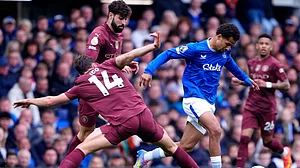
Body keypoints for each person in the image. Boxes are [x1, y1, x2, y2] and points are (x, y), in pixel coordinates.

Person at [13, 32, 199, 168]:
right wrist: (152, 46)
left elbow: (50, 101)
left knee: (82, 148)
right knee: (173, 149)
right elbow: (128, 56)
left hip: (124, 123)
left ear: (78, 72)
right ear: (94, 64)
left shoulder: (80, 85)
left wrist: (30, 101)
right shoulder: (109, 65)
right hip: (143, 115)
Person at [136, 23, 259, 168]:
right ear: (218, 37)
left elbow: (232, 66)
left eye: (231, 45)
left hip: (208, 103)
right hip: (194, 98)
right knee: (216, 130)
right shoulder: (195, 49)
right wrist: (149, 70)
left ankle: (146, 155)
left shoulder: (225, 52)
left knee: (185, 146)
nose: (228, 47)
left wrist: (246, 79)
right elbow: (168, 53)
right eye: (227, 43)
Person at [67, 0, 138, 155]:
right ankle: (67, 163)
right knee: (85, 133)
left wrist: (125, 64)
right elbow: (89, 67)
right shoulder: (98, 35)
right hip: (93, 88)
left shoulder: (119, 34)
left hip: (108, 87)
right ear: (110, 15)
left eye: (126, 19)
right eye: (121, 18)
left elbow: (111, 61)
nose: (123, 22)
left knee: (129, 119)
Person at [232, 34, 292, 168]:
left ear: (271, 47)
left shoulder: (275, 64)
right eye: (261, 43)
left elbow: (286, 85)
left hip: (268, 108)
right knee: (244, 139)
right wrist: (241, 82)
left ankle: (284, 152)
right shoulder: (251, 63)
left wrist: (268, 84)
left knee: (267, 141)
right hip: (251, 105)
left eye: (266, 44)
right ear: (257, 46)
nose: (264, 46)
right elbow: (254, 82)